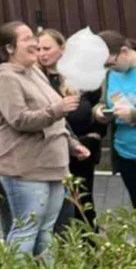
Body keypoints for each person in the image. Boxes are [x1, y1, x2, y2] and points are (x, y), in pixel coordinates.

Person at [0, 21, 90, 257]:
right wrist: (58, 108)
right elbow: (20, 120)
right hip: (25, 167)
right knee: (26, 229)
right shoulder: (6, 78)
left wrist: (72, 145)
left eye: (32, 37)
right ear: (10, 48)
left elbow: (56, 119)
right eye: (26, 39)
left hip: (54, 164)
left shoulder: (34, 72)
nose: (34, 43)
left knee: (46, 230)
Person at [38, 28, 105, 231]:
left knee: (84, 203)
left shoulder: (79, 77)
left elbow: (97, 108)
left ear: (62, 49)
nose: (42, 53)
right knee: (57, 210)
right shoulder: (37, 80)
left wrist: (96, 133)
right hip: (52, 152)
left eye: (47, 48)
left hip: (82, 152)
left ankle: (90, 251)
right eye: (38, 48)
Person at [94, 30, 136, 205]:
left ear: (124, 51)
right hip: (126, 153)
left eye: (111, 63)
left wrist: (133, 114)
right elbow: (103, 101)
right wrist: (100, 111)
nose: (110, 69)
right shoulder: (111, 75)